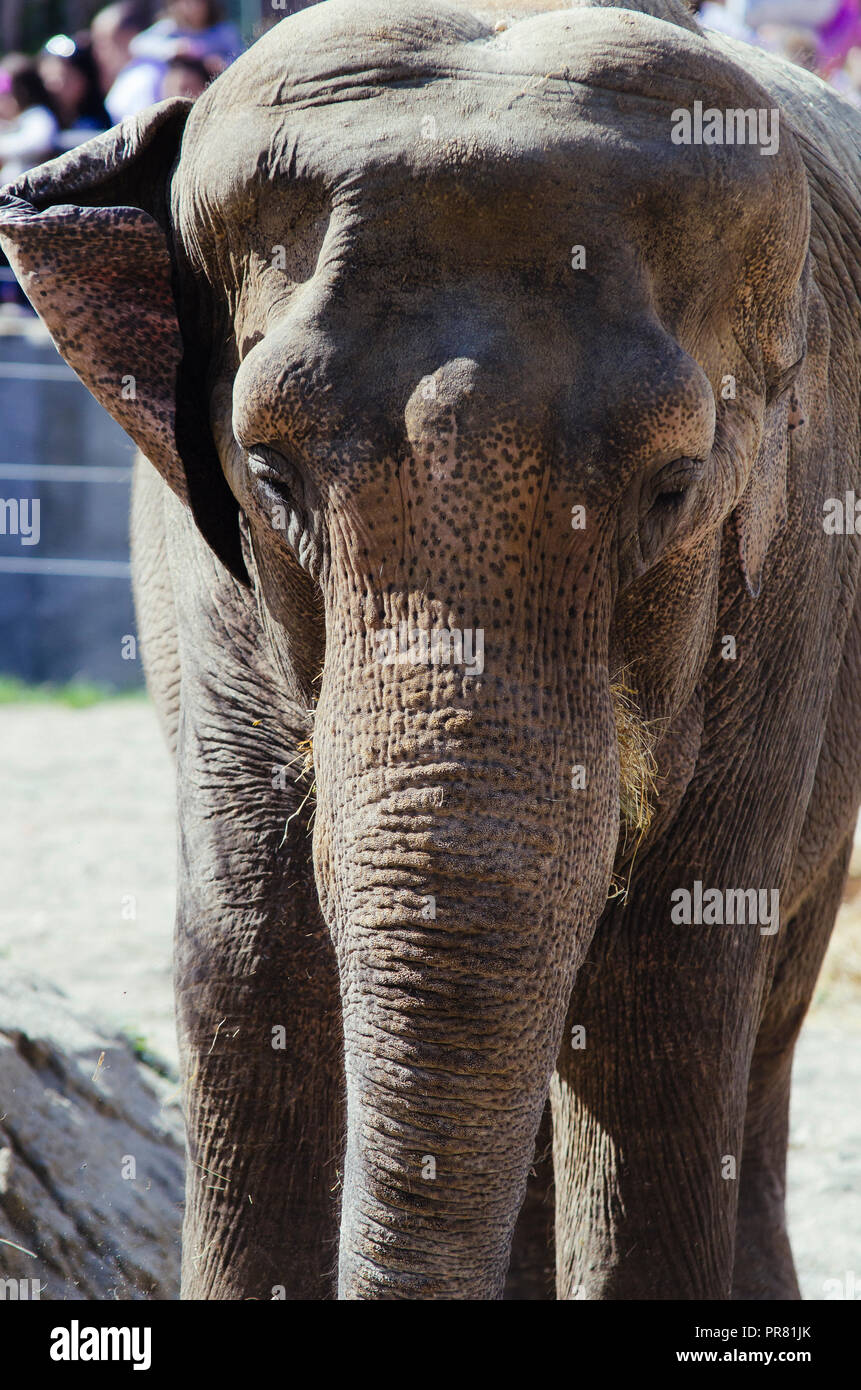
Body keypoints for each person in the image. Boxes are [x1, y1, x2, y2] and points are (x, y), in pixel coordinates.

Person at [91, 2, 165, 124]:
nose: (97, 52)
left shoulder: (144, 77)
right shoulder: (132, 75)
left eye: (103, 41)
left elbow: (147, 131)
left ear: (129, 37)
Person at [38, 35, 111, 150]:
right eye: (47, 79)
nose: (55, 86)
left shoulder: (98, 119)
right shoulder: (39, 117)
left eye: (65, 78)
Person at [0, 56, 60, 183]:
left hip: (37, 192)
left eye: (6, 93)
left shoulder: (39, 116)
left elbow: (39, 143)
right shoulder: (12, 122)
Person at [131, 1, 241, 69]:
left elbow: (239, 60)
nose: (194, 6)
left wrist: (221, 64)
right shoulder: (170, 27)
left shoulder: (224, 32)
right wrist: (174, 48)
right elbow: (136, 45)